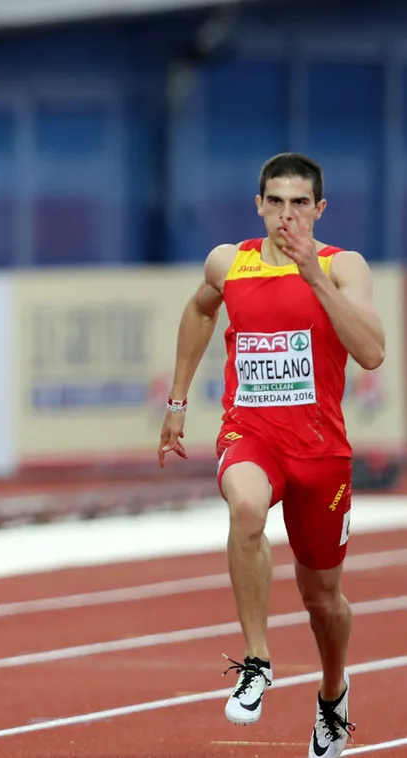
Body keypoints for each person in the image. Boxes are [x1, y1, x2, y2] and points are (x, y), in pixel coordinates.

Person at [159, 152, 384, 758]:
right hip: (251, 436)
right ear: (259, 204)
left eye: (300, 204)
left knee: (322, 600)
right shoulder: (229, 262)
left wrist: (314, 278)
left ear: (319, 209)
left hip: (321, 454)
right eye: (276, 202)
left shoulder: (344, 268)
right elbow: (200, 309)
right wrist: (178, 398)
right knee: (245, 509)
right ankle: (256, 661)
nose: (287, 215)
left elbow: (372, 352)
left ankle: (333, 693)